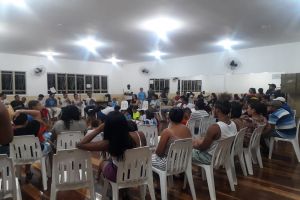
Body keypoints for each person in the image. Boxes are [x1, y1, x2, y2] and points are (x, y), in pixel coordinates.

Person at [77, 111, 147, 182]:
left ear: (107, 127)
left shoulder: (107, 143)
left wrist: (98, 129)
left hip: (119, 176)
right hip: (139, 172)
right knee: (116, 159)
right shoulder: (140, 134)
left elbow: (80, 145)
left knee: (102, 162)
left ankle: (97, 178)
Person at [192, 100, 237, 164]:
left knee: (186, 152)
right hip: (224, 155)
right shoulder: (233, 124)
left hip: (211, 158)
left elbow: (202, 147)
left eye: (213, 108)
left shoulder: (215, 127)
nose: (212, 110)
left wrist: (193, 144)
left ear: (217, 110)